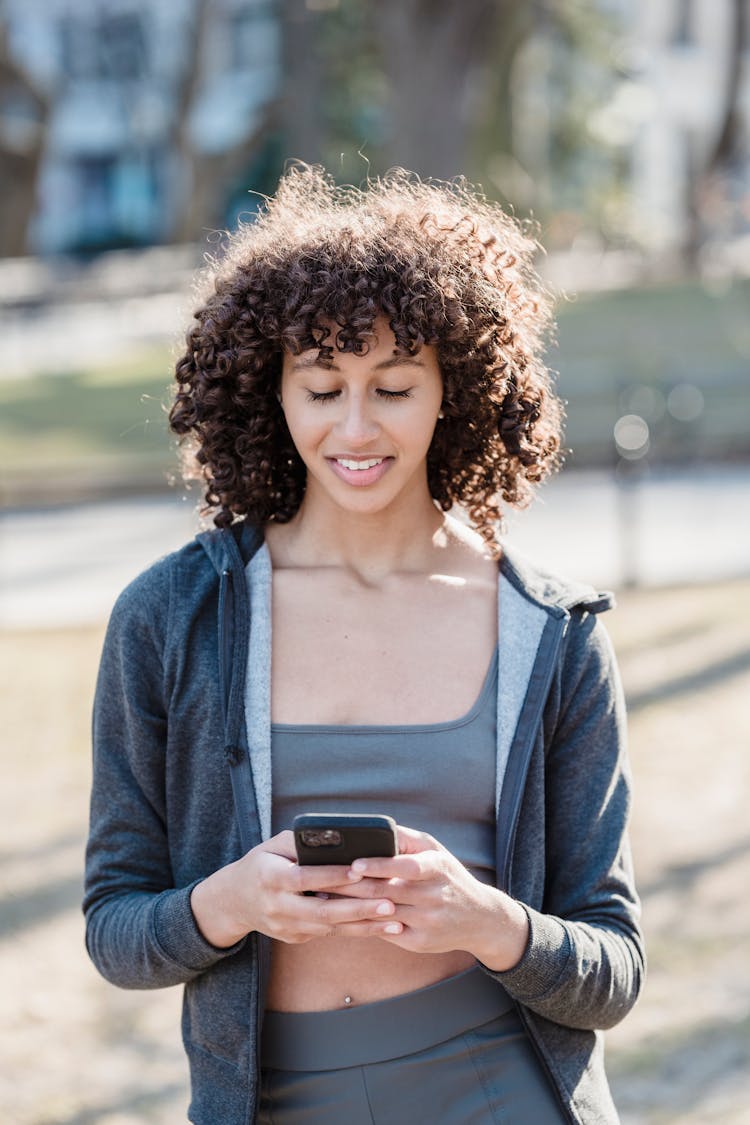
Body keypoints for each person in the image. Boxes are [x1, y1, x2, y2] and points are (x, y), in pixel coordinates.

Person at [84, 164, 644, 1125]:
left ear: (450, 389)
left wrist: (489, 922)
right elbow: (115, 926)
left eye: (391, 386)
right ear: (272, 394)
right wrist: (233, 900)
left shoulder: (550, 636)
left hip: (500, 1091)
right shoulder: (171, 619)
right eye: (320, 387)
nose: (355, 427)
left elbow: (614, 969)